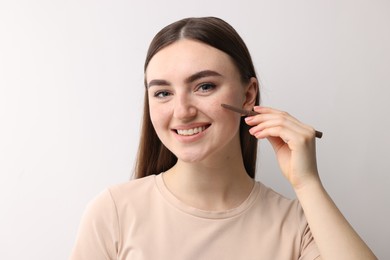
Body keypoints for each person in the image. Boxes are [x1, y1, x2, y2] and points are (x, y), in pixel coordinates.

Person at [70, 17, 376, 259]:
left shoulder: (296, 225)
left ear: (248, 95)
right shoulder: (113, 211)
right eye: (163, 93)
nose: (182, 111)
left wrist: (307, 183)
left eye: (204, 86)